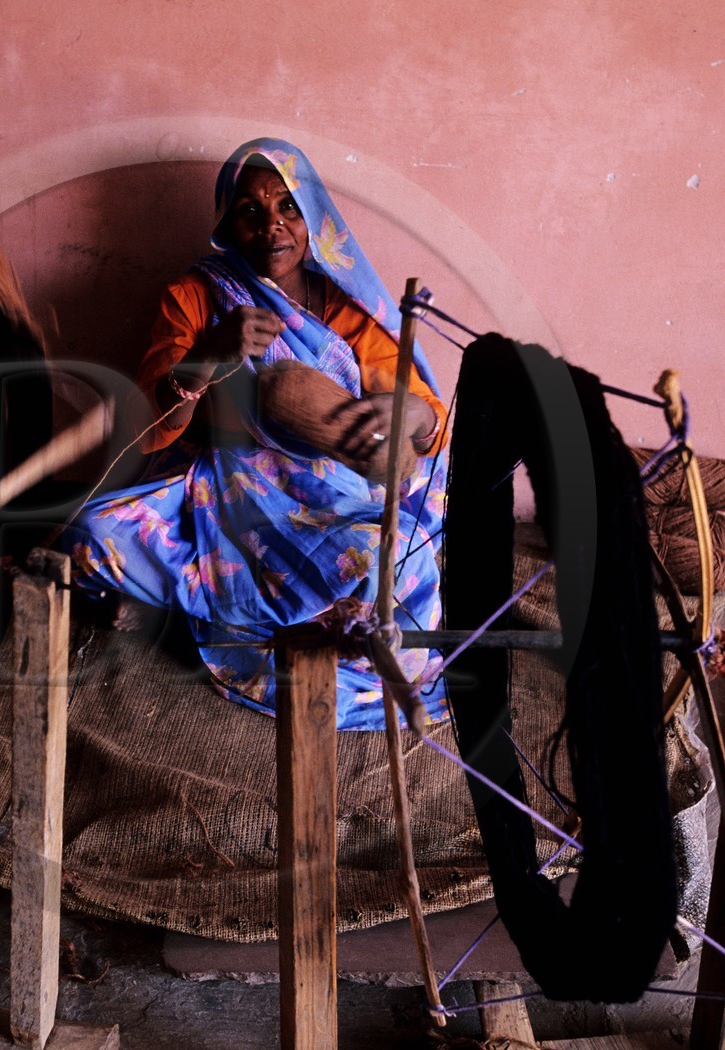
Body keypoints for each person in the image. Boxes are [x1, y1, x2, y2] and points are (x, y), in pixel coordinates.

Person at [64, 137, 450, 730]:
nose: (271, 227)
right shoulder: (195, 297)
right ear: (227, 222)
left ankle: (212, 617)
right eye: (250, 210)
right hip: (222, 490)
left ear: (313, 218)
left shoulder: (345, 307)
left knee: (392, 561)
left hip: (334, 494)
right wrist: (207, 357)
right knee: (91, 538)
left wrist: (406, 414)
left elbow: (428, 420)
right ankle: (223, 610)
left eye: (287, 208)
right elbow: (149, 433)